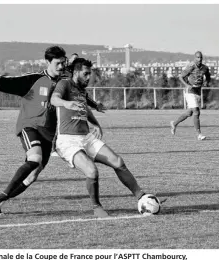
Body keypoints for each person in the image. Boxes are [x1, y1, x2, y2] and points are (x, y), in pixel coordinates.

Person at [0, 46, 102, 215]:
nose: (61, 66)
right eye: (57, 63)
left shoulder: (65, 82)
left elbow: (79, 94)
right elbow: (9, 82)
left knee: (32, 176)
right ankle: (0, 197)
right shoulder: (34, 79)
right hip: (30, 126)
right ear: (47, 62)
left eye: (63, 63)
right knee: (35, 159)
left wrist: (95, 105)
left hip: (49, 134)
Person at [50, 58, 150, 218]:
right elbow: (53, 99)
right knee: (92, 171)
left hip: (87, 137)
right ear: (76, 72)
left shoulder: (81, 90)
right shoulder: (64, 84)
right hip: (67, 140)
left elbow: (86, 109)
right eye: (85, 73)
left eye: (90, 73)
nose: (89, 77)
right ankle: (97, 208)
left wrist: (95, 124)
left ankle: (142, 196)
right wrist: (65, 104)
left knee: (118, 162)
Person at [170, 51, 211, 140]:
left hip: (197, 92)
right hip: (190, 92)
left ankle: (174, 123)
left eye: (200, 58)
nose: (199, 59)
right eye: (197, 57)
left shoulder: (205, 68)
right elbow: (181, 77)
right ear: (194, 58)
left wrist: (207, 82)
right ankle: (199, 134)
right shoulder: (191, 66)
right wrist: (187, 85)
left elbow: (208, 76)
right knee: (196, 111)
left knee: (189, 113)